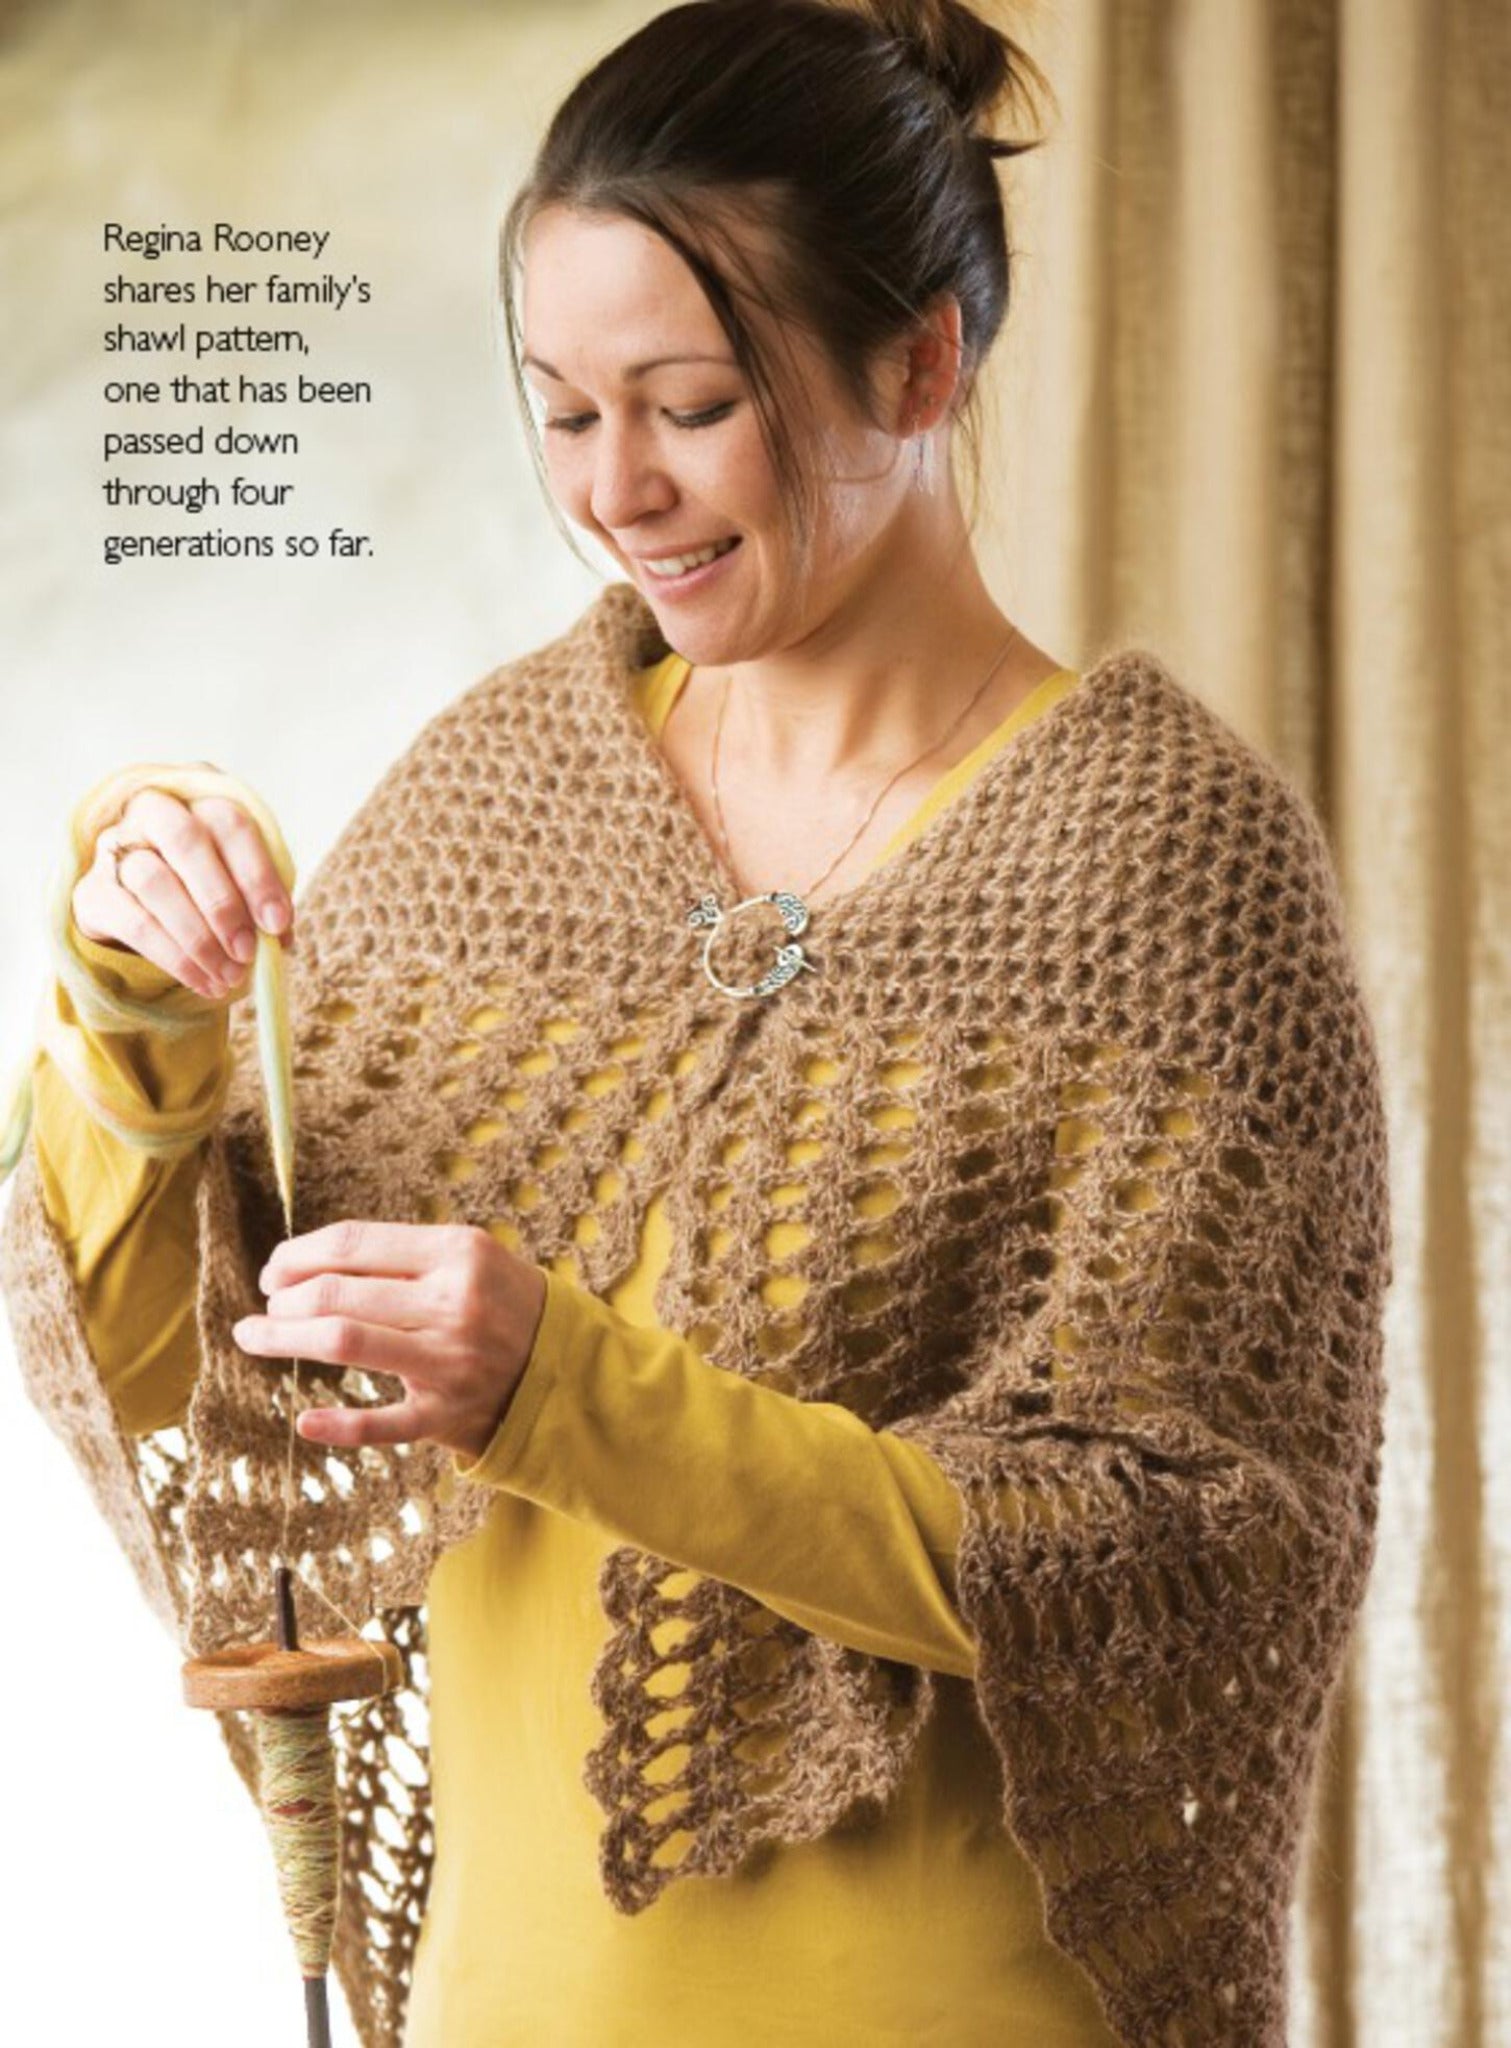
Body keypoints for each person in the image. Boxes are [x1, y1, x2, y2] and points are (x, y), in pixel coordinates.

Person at [0, 5, 1392, 2046]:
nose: (619, 492)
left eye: (691, 404)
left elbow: (1180, 1547)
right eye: (563, 412)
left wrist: (564, 1386)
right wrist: (135, 1016)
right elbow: (206, 1383)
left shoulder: (1165, 865)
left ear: (922, 361)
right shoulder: (493, 805)